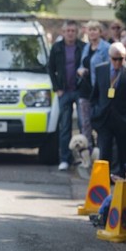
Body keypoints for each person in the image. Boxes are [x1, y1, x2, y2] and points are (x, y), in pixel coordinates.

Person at [90, 42, 126, 176]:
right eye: (115, 59)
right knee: (104, 152)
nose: (118, 62)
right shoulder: (101, 69)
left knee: (125, 153)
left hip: (124, 119)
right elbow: (95, 94)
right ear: (109, 57)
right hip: (104, 118)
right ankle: (103, 182)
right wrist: (95, 112)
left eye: (121, 59)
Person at [48, 20, 85, 169]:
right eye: (67, 31)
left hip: (79, 90)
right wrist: (57, 88)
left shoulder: (82, 47)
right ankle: (65, 158)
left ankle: (84, 158)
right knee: (65, 126)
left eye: (73, 31)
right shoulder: (56, 48)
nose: (70, 33)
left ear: (77, 33)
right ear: (63, 32)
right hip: (64, 91)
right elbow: (50, 68)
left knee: (84, 125)